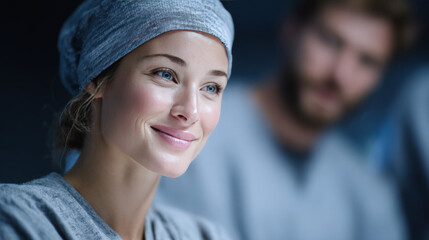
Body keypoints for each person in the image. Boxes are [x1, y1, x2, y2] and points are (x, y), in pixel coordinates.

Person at [155, 0, 416, 239]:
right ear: (292, 29)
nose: (340, 75)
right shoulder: (188, 132)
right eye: (330, 41)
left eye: (367, 61)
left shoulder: (370, 195)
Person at [0, 0, 234, 239]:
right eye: (165, 74)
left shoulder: (205, 236)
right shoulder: (17, 220)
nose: (190, 111)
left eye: (211, 88)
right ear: (97, 77)